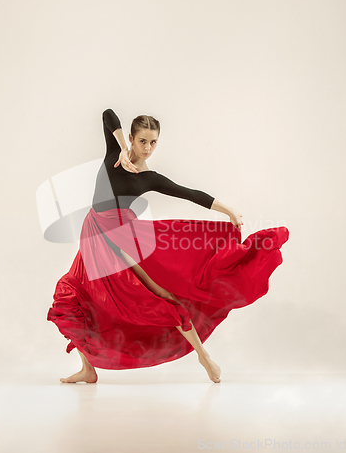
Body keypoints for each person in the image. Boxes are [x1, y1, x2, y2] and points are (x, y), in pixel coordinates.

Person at [47, 108, 289, 384]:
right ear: (131, 138)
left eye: (153, 142)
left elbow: (188, 193)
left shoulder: (148, 177)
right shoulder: (115, 155)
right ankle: (88, 369)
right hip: (93, 234)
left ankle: (204, 357)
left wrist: (228, 210)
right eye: (142, 141)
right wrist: (123, 149)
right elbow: (107, 114)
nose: (148, 148)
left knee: (158, 295)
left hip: (122, 237)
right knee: (73, 295)